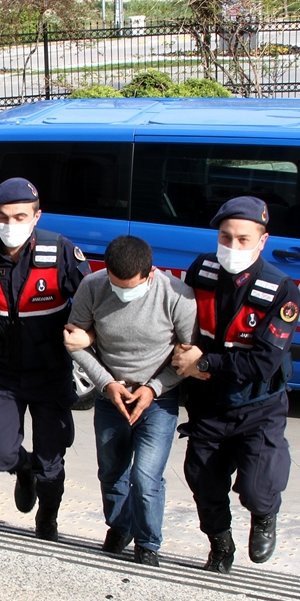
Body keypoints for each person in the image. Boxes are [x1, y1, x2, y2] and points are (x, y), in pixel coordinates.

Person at [0, 177, 89, 541]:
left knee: (51, 460)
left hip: (50, 374)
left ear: (36, 216)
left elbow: (92, 301)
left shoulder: (60, 252)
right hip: (2, 373)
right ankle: (20, 468)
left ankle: (48, 519)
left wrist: (87, 336)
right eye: (3, 217)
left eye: (19, 216)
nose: (10, 225)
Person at [170, 196, 300, 574]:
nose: (232, 246)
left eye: (243, 239)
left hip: (258, 408)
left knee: (257, 488)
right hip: (209, 404)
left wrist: (206, 361)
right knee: (203, 481)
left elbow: (264, 362)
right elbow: (184, 327)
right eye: (225, 237)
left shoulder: (282, 291)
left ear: (262, 241)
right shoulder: (202, 270)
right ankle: (220, 543)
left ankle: (264, 515)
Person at [64, 235, 197, 568]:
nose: (123, 293)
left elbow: (187, 357)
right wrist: (106, 384)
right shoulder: (93, 287)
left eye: (130, 287)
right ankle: (119, 526)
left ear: (150, 274)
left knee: (146, 476)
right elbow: (75, 343)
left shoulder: (177, 296)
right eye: (116, 285)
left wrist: (153, 388)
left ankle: (148, 542)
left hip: (158, 400)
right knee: (111, 471)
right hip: (111, 396)